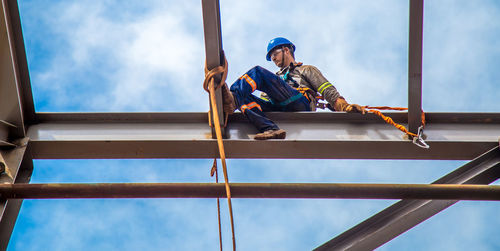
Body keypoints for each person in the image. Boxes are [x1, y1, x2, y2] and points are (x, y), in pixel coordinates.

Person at [220, 37, 365, 140]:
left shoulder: (305, 69)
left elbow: (326, 88)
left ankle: (233, 99)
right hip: (278, 105)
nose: (274, 59)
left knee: (257, 72)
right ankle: (270, 129)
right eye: (271, 57)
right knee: (242, 97)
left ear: (286, 50)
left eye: (275, 54)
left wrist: (343, 105)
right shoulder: (273, 79)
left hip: (299, 102)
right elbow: (263, 101)